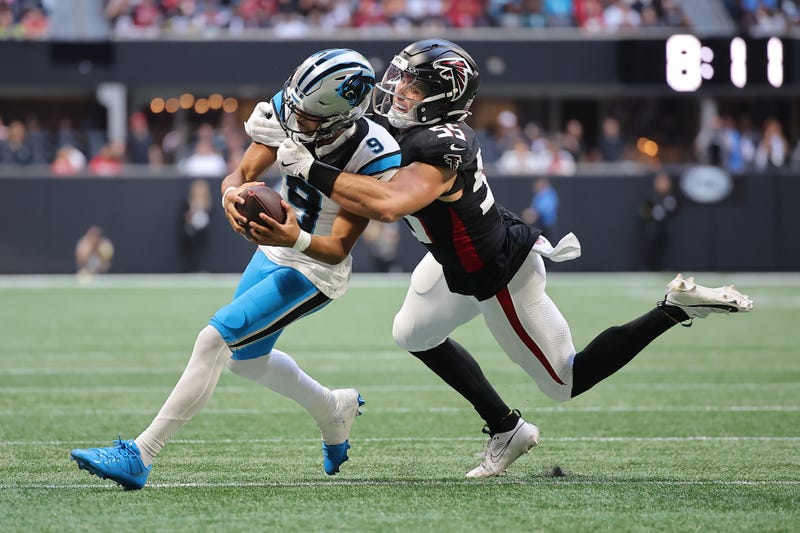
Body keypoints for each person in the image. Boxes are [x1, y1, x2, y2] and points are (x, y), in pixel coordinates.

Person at [269, 38, 753, 478]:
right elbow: (348, 132)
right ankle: (506, 427)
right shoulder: (408, 128)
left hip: (497, 274)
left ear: (442, 98)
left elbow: (389, 205)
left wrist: (311, 167)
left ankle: (673, 308)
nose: (398, 91)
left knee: (564, 380)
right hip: (452, 259)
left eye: (413, 86)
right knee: (411, 332)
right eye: (402, 79)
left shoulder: (443, 144)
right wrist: (280, 118)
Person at [70, 49, 402, 490]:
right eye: (294, 107)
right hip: (275, 251)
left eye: (305, 116)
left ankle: (140, 454)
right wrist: (231, 194)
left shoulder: (370, 153)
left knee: (214, 338)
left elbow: (338, 247)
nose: (293, 118)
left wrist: (294, 239)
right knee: (246, 361)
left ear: (342, 118)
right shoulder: (292, 108)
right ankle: (332, 409)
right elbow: (240, 174)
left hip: (315, 267)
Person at [639, 171, 678, 271]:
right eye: (660, 182)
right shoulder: (651, 196)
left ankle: (662, 268)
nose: (662, 184)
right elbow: (644, 210)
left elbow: (674, 210)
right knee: (650, 249)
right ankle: (648, 268)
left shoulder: (671, 197)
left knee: (664, 250)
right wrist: (651, 214)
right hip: (652, 228)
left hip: (665, 228)